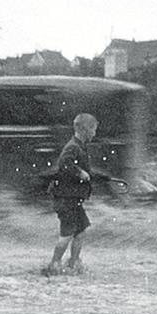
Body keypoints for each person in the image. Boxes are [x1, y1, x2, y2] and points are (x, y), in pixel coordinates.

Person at [44, 112, 100, 276]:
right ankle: (54, 264)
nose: (95, 133)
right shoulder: (72, 147)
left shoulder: (80, 146)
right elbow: (64, 163)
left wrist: (102, 177)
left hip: (73, 199)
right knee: (67, 233)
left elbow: (84, 170)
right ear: (85, 130)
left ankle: (74, 262)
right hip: (65, 199)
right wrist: (80, 172)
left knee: (81, 230)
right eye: (93, 130)